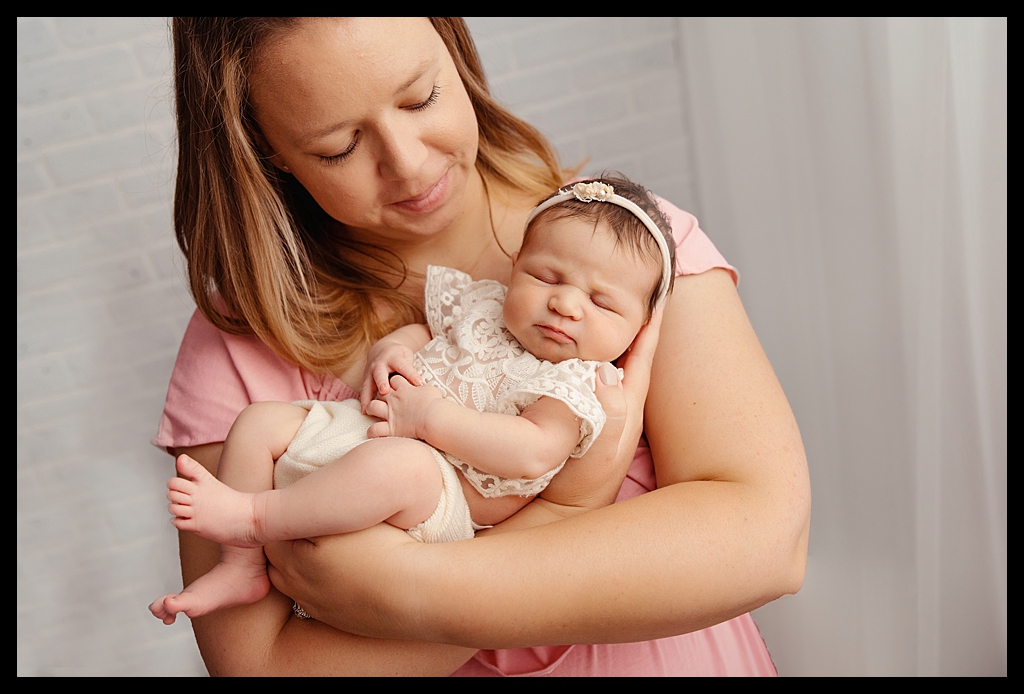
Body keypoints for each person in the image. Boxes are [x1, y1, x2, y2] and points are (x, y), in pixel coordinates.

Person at [154, 17, 810, 676]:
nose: (408, 164)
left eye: (420, 98)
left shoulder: (624, 256)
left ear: (453, 47)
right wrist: (569, 510)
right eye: (339, 146)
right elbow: (259, 669)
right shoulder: (241, 339)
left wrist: (405, 589)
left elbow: (767, 540)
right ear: (265, 146)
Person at [151, 176, 677, 625]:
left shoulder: (576, 383)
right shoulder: (484, 304)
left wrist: (430, 420)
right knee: (259, 422)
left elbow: (533, 451)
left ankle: (255, 519)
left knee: (400, 467)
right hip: (365, 427)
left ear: (639, 327)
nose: (564, 302)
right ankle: (241, 566)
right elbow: (425, 329)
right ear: (516, 265)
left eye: (602, 302)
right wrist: (391, 348)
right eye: (546, 276)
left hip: (445, 490)